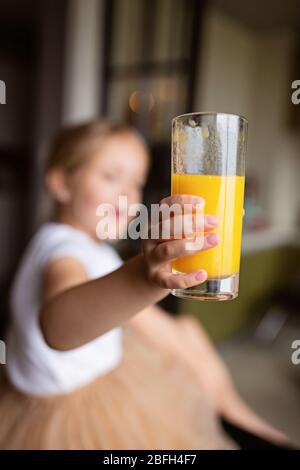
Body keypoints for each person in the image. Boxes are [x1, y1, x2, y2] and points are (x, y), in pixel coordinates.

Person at [0, 120, 288, 449]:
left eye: (136, 183)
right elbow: (59, 328)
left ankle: (239, 417)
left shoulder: (96, 250)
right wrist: (142, 277)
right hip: (64, 411)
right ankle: (244, 423)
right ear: (62, 183)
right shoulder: (61, 249)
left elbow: (153, 325)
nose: (127, 195)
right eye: (110, 177)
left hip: (97, 372)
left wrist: (181, 334)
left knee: (186, 330)